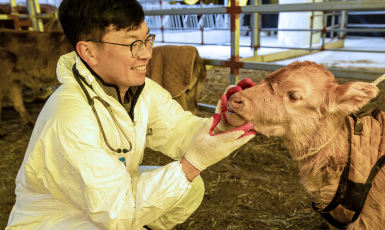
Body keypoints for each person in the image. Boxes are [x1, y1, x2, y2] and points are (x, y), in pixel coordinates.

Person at [6, 0, 255, 229]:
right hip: (62, 219)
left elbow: (180, 129)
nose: (146, 53)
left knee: (189, 189)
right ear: (89, 52)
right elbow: (115, 212)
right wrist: (190, 165)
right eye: (132, 43)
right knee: (177, 181)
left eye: (147, 39)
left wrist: (224, 122)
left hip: (109, 205)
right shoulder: (69, 115)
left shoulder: (140, 91)